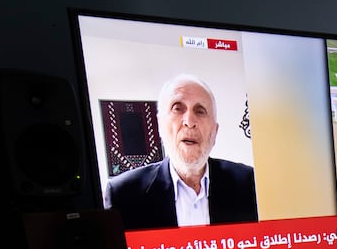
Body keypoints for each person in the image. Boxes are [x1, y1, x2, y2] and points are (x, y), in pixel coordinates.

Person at [105, 74, 257, 229]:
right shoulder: (123, 195)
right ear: (160, 125)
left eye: (200, 111)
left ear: (215, 131)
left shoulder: (251, 184)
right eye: (177, 108)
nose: (189, 122)